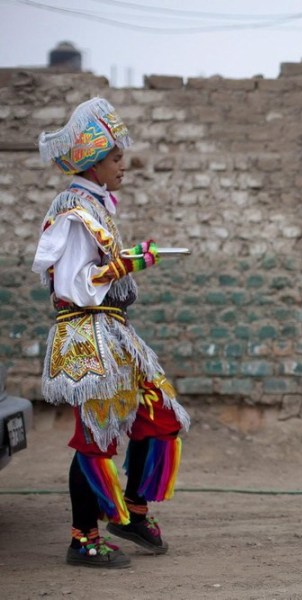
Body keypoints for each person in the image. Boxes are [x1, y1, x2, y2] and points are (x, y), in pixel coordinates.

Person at [31, 97, 191, 569]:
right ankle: (83, 537)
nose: (125, 165)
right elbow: (72, 285)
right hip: (87, 335)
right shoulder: (75, 212)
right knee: (96, 437)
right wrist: (125, 263)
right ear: (95, 163)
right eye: (117, 158)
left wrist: (127, 261)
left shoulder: (97, 206)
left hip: (115, 333)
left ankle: (133, 514)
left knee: (160, 418)